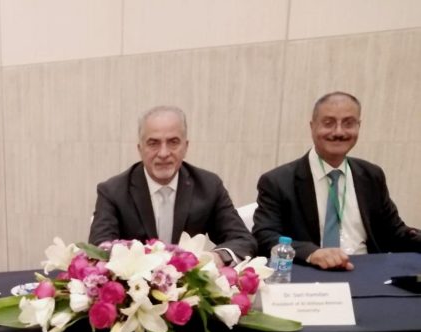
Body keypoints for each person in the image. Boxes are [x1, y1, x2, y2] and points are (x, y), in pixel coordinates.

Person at [253, 91, 420, 270]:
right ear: (312, 127)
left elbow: (394, 233)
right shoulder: (278, 182)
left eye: (348, 123)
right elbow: (265, 236)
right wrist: (311, 253)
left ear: (359, 126)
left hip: (368, 271)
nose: (339, 132)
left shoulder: (371, 176)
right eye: (328, 123)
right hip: (310, 272)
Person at [89, 105, 256, 265]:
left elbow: (242, 240)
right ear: (140, 149)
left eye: (173, 142)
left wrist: (216, 258)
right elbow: (99, 250)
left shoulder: (209, 187)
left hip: (189, 281)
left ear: (185, 147)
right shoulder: (112, 191)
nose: (163, 153)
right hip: (133, 282)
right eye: (153, 143)